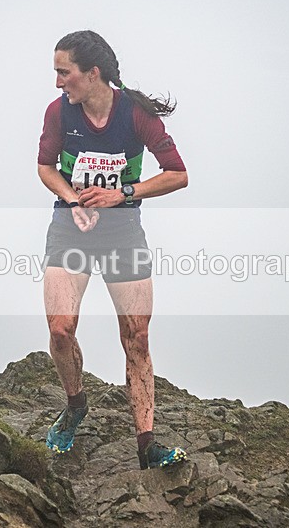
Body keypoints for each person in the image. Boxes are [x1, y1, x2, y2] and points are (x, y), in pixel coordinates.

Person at [37, 30, 188, 470]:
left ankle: (147, 446)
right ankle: (75, 404)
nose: (59, 82)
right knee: (61, 330)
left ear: (92, 73)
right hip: (71, 229)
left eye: (64, 73)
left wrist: (122, 193)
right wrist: (71, 200)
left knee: (136, 338)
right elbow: (46, 167)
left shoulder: (136, 116)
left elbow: (178, 174)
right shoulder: (59, 114)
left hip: (123, 233)